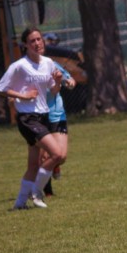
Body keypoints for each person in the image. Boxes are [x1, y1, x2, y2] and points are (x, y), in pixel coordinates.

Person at [0, 28, 66, 209]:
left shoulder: (48, 63)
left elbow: (53, 90)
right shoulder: (19, 66)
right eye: (32, 41)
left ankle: (19, 203)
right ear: (25, 45)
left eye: (39, 39)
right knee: (57, 154)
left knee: (33, 165)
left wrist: (58, 81)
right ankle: (36, 192)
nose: (37, 43)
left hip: (43, 116)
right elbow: (0, 88)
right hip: (27, 118)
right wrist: (23, 96)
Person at [41, 57, 76, 196]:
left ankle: (55, 165)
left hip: (56, 114)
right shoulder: (23, 67)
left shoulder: (51, 64)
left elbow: (69, 79)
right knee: (44, 156)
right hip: (37, 116)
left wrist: (70, 83)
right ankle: (47, 192)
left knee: (61, 156)